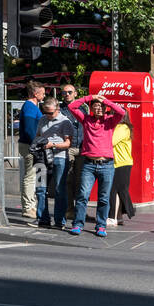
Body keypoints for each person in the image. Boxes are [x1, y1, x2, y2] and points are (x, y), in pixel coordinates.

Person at [67, 92, 127, 238]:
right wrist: (89, 97)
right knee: (82, 195)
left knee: (104, 198)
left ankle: (101, 226)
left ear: (105, 108)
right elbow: (72, 106)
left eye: (101, 106)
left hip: (106, 165)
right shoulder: (85, 119)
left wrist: (106, 100)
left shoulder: (110, 121)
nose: (99, 108)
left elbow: (121, 112)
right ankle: (78, 224)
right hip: (89, 164)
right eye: (96, 106)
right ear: (91, 108)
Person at [31, 96, 72, 230]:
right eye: (45, 112)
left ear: (57, 109)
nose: (48, 115)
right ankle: (43, 218)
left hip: (59, 157)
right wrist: (39, 143)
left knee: (59, 190)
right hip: (42, 157)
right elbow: (38, 135)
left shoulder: (65, 121)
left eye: (50, 113)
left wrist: (52, 145)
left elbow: (68, 143)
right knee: (40, 189)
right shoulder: (42, 119)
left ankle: (60, 220)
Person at [17, 81, 46, 227]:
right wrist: (37, 143)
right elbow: (29, 130)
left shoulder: (32, 106)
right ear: (35, 93)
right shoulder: (29, 107)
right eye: (42, 92)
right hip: (30, 146)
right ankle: (28, 207)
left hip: (30, 144)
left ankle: (30, 206)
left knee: (31, 176)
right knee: (30, 176)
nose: (44, 94)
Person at [59, 83, 84, 222]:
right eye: (64, 93)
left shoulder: (83, 108)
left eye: (69, 92)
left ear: (75, 94)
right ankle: (69, 210)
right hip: (67, 148)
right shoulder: (60, 110)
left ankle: (80, 211)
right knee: (68, 180)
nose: (67, 94)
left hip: (82, 147)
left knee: (81, 181)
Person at [108, 111, 136, 227]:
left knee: (114, 191)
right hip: (121, 163)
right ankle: (118, 217)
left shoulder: (122, 127)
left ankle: (112, 217)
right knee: (119, 191)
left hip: (120, 163)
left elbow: (112, 141)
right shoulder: (124, 127)